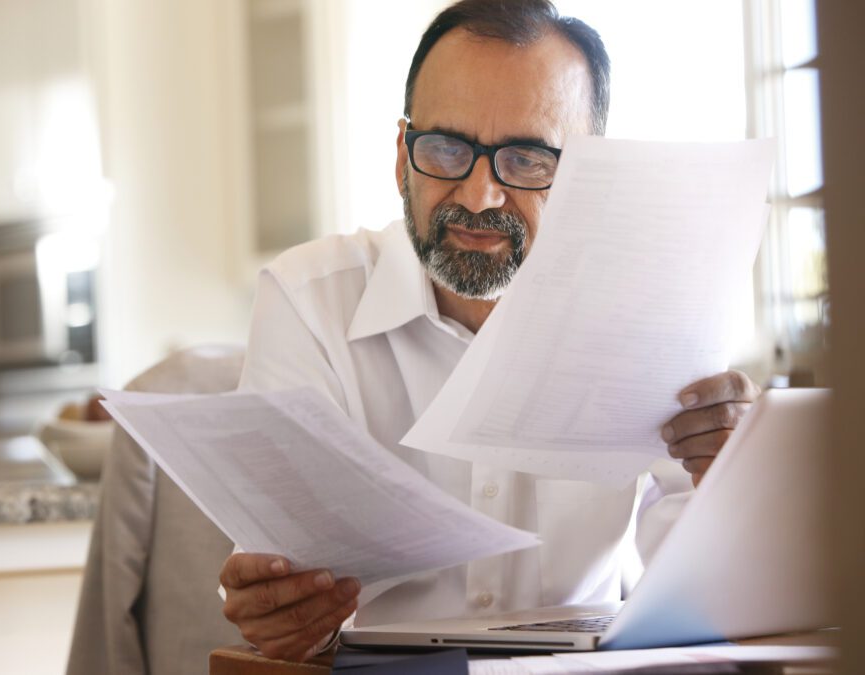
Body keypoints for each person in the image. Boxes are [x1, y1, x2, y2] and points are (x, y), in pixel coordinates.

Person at [218, 0, 762, 663]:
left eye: (527, 159)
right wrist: (285, 614)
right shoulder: (308, 302)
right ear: (401, 157)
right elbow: (278, 576)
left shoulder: (658, 308)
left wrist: (735, 481)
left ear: (591, 176)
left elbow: (711, 600)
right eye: (447, 148)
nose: (479, 197)